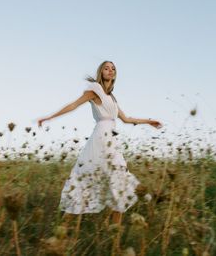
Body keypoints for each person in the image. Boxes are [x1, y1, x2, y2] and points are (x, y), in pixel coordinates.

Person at [38, 60, 163, 225]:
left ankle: (114, 232)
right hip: (100, 138)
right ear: (101, 72)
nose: (110, 70)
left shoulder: (112, 98)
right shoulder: (95, 90)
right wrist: (49, 117)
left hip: (111, 140)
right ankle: (64, 227)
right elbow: (74, 105)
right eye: (106, 68)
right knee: (87, 177)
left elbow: (126, 119)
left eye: (113, 69)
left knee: (118, 178)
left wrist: (148, 121)